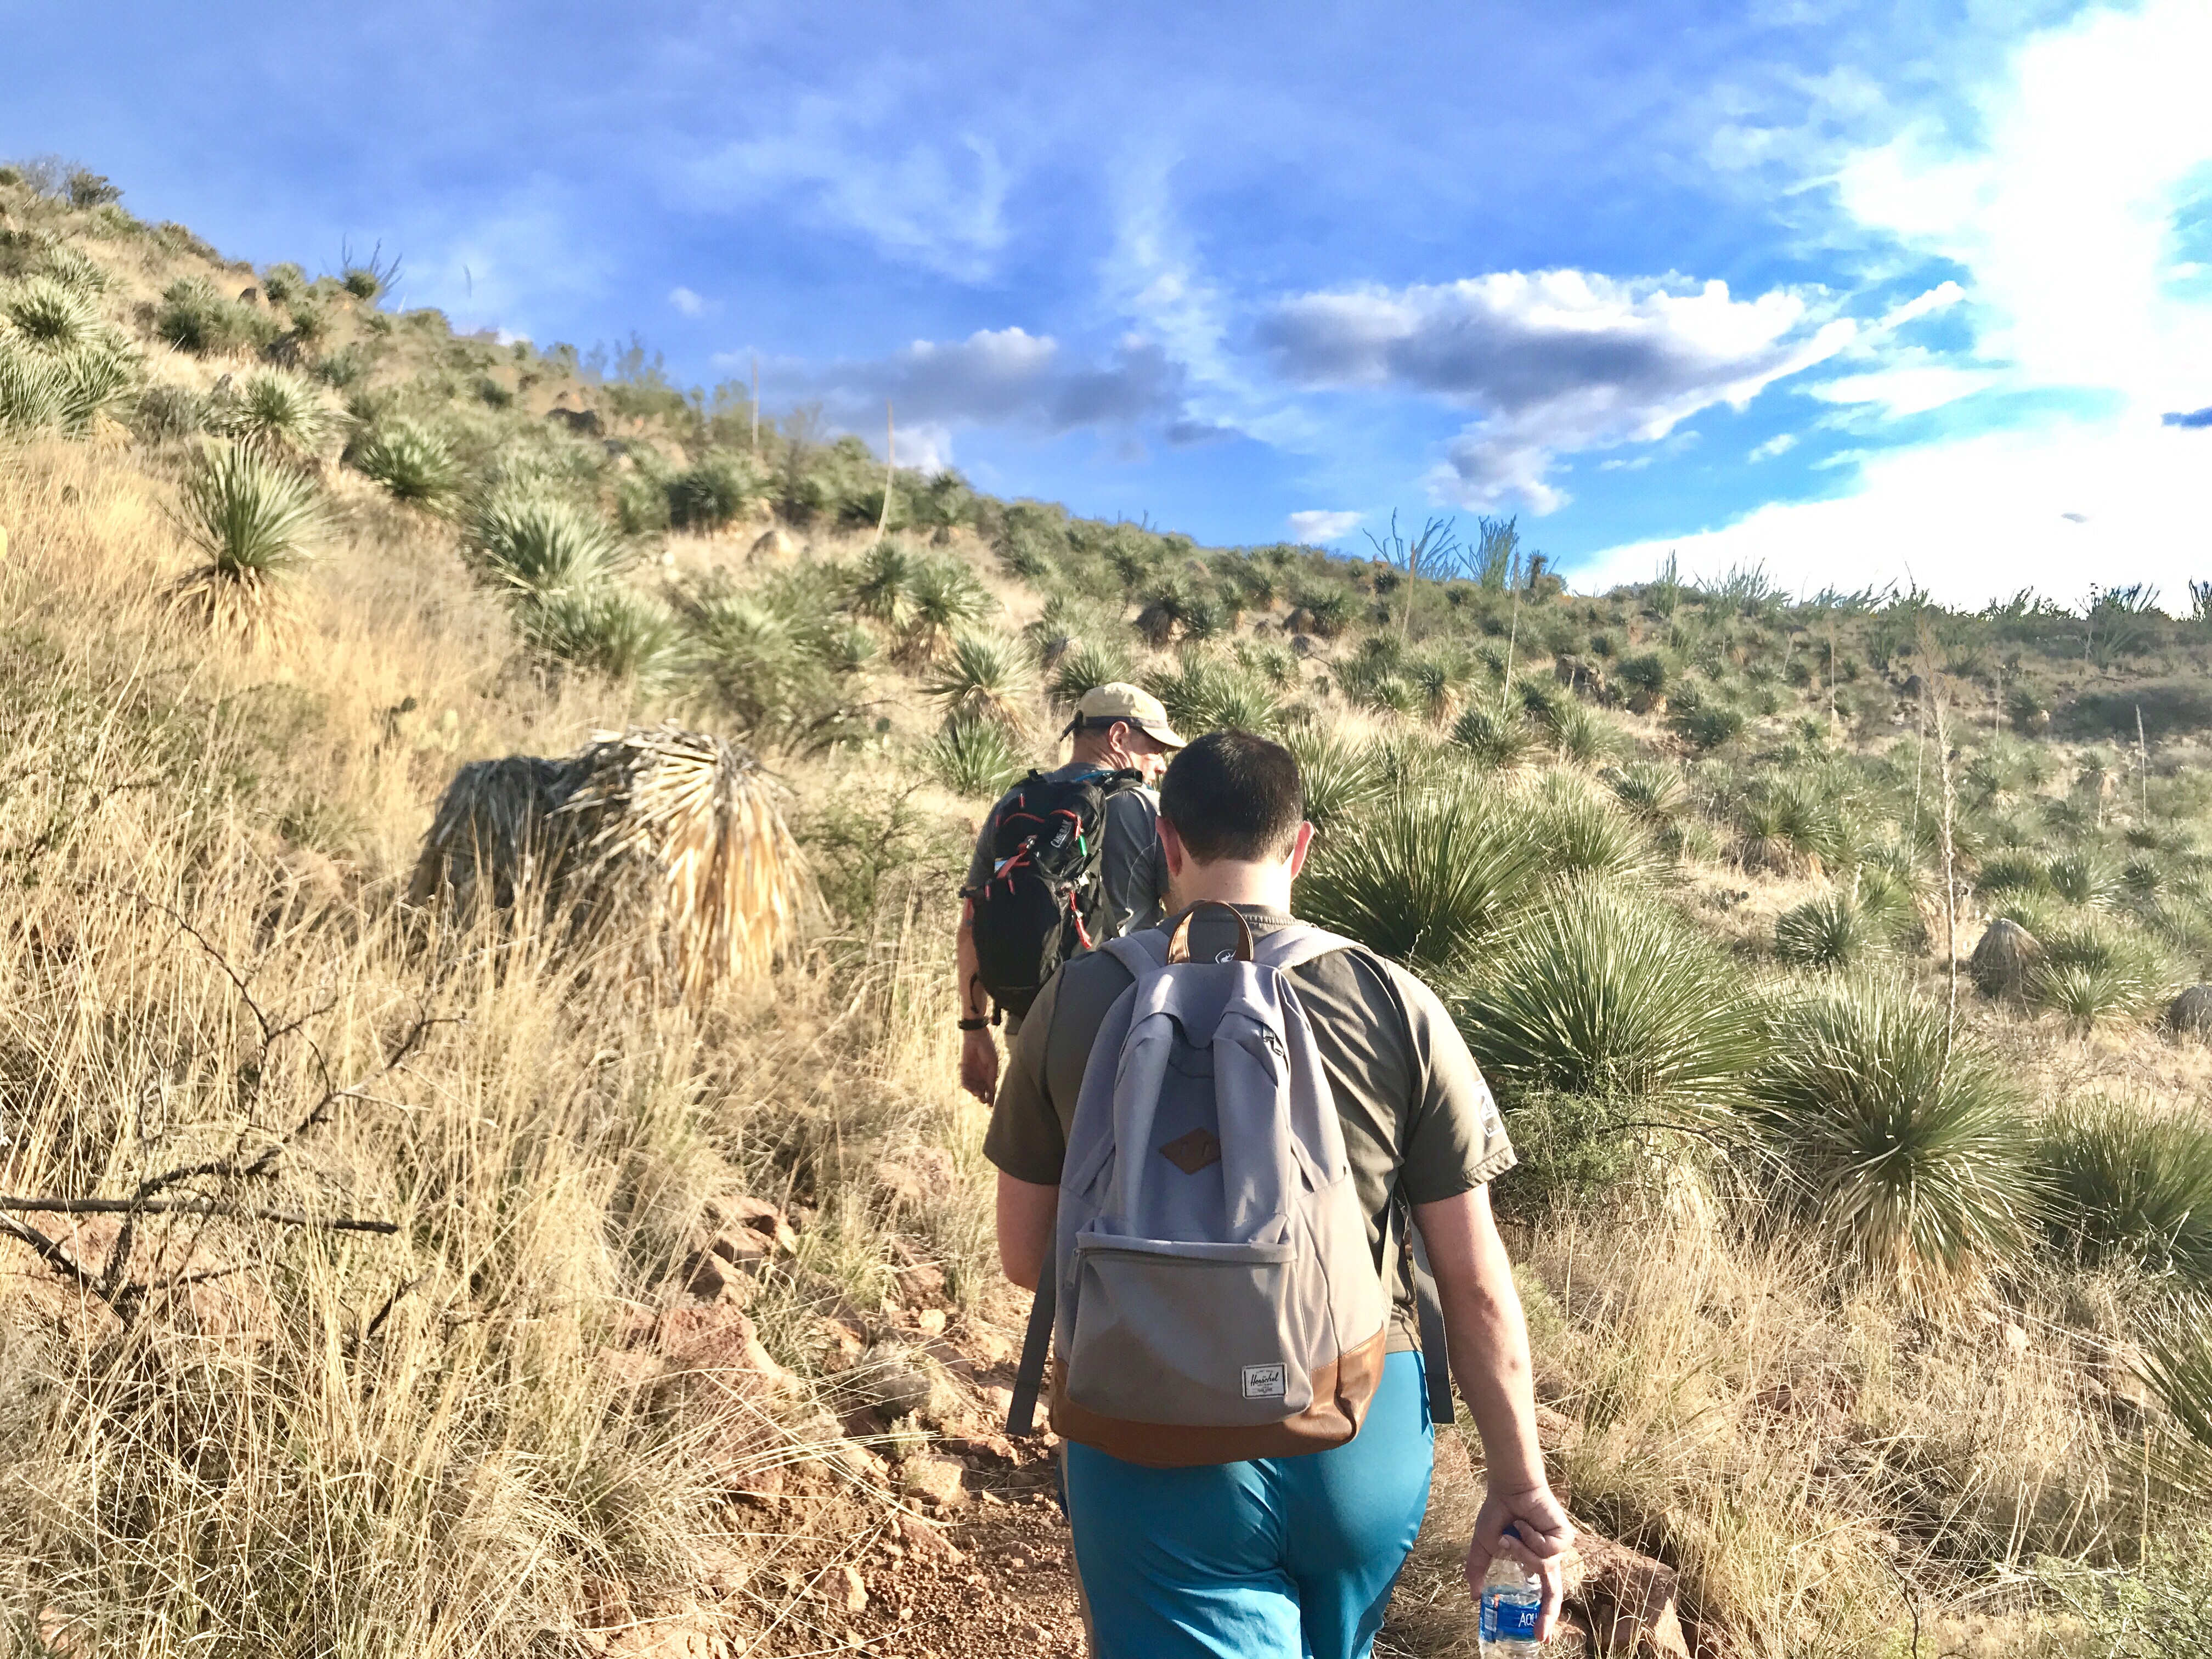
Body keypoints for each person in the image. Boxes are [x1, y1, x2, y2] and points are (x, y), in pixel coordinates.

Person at [985, 730, 1571, 1659]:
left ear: (1166, 844)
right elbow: (1472, 1279)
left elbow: (1028, 1257)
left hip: (1146, 1428)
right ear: (1300, 846)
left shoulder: (1079, 996)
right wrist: (1519, 1480)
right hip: (1353, 1421)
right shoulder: (1395, 1000)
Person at [957, 682, 1183, 1107]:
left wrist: (974, 1031)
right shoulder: (1148, 811)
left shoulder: (1014, 803)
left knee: (1038, 1169)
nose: (1160, 766)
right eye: (1155, 749)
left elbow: (971, 927)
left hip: (1029, 1031)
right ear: (1119, 737)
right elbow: (1186, 922)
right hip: (1120, 1033)